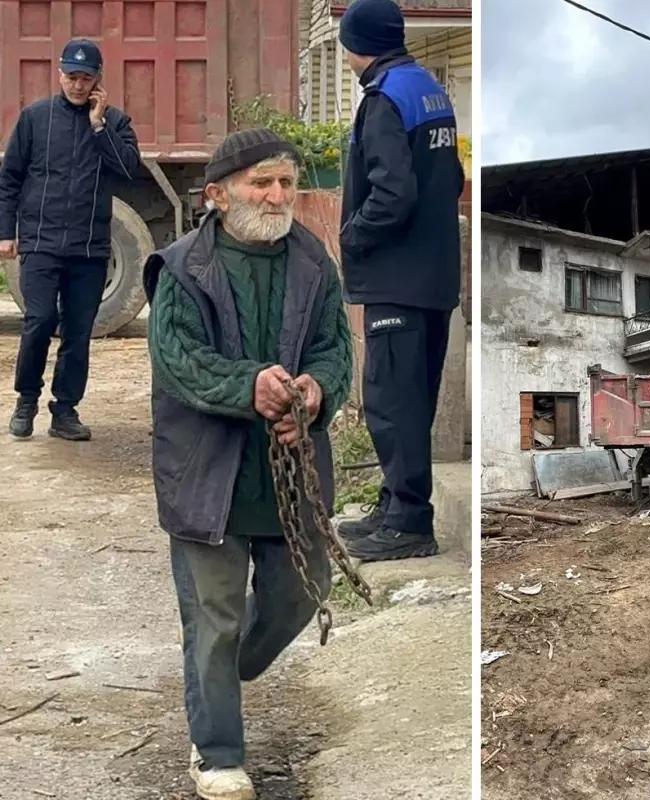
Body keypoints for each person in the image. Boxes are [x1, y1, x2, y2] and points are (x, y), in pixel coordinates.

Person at [144, 128, 352, 800]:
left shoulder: (313, 263)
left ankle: (221, 677)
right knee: (215, 614)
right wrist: (248, 386)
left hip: (289, 472)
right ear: (217, 194)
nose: (277, 195)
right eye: (262, 182)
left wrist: (316, 393)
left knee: (302, 590)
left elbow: (334, 350)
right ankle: (217, 752)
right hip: (207, 473)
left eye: (286, 182)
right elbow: (178, 361)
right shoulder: (182, 268)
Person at [336, 0, 465, 562]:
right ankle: (395, 506)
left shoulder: (385, 97)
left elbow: (392, 193)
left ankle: (409, 523)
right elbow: (453, 176)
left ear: (354, 43)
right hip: (434, 276)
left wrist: (353, 235)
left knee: (391, 400)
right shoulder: (430, 90)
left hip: (398, 277)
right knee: (413, 399)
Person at [0, 38, 141, 441]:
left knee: (78, 333)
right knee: (39, 321)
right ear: (60, 75)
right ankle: (25, 401)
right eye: (71, 77)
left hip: (90, 249)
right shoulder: (35, 119)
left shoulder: (114, 123)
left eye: (86, 78)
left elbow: (128, 167)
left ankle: (65, 411)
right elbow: (9, 179)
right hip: (42, 244)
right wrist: (5, 233)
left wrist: (98, 126)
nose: (78, 86)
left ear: (98, 80)